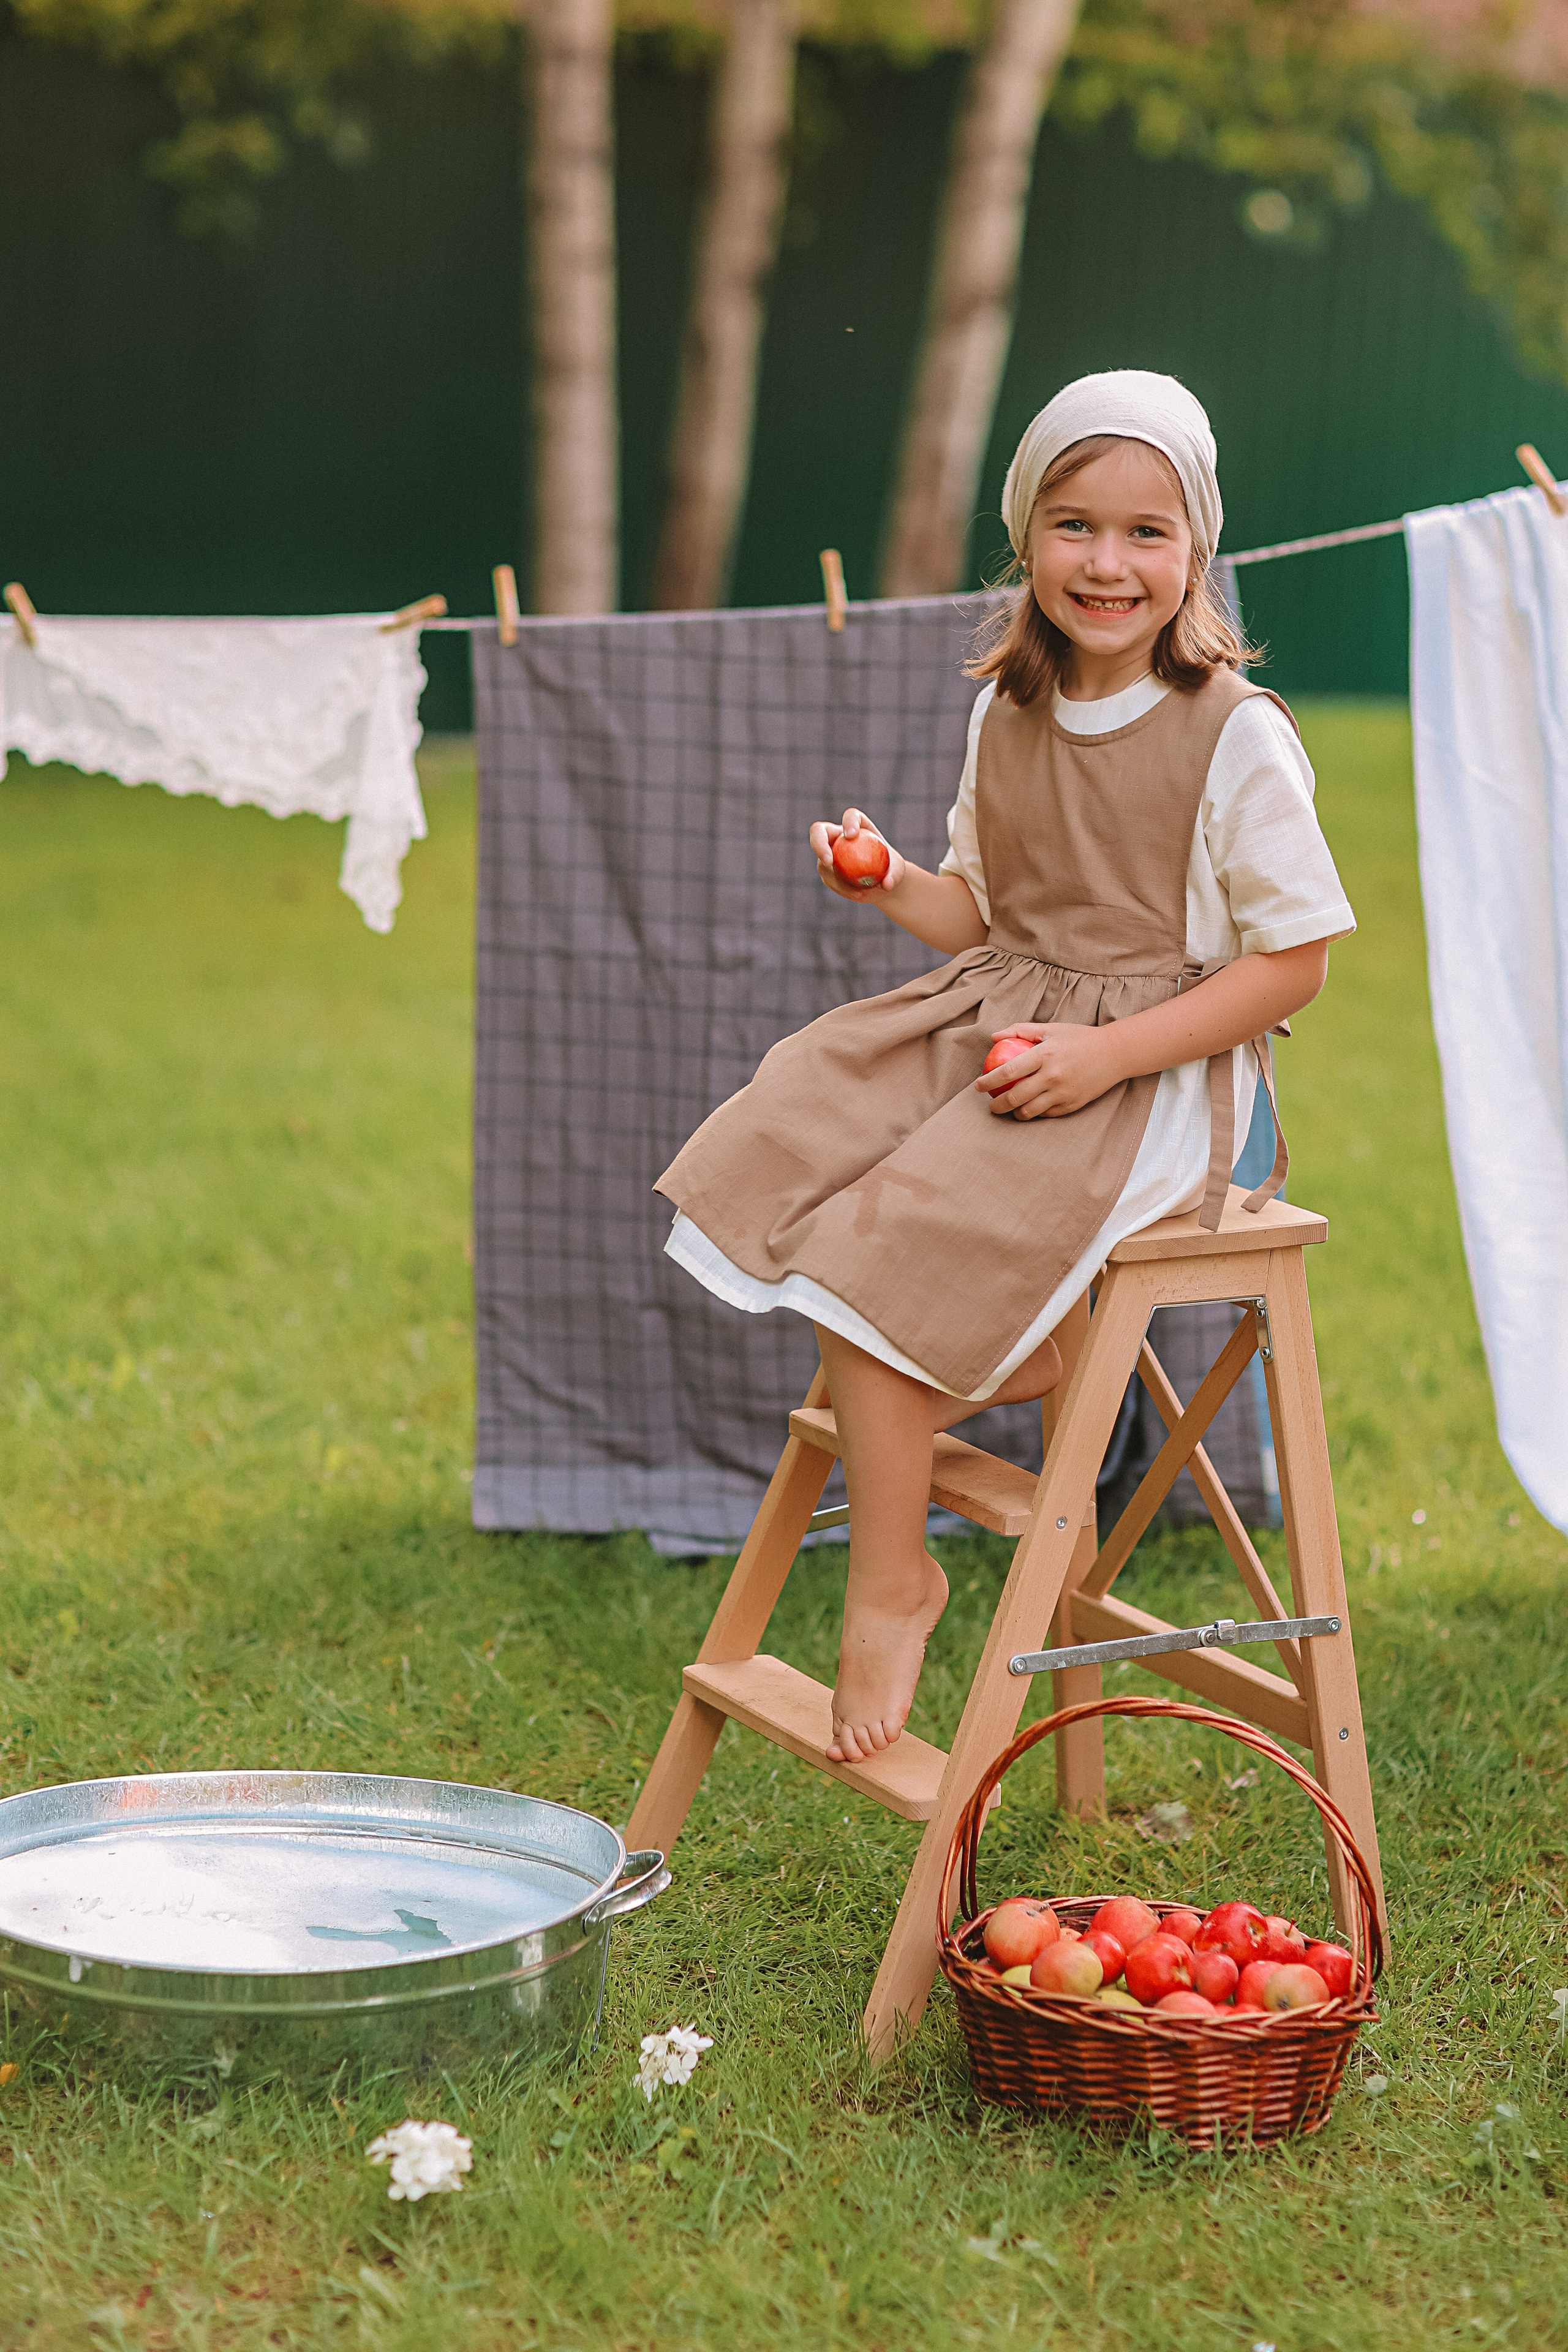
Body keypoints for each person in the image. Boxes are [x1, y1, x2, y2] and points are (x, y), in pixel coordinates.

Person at [655, 371, 1355, 1769]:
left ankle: (891, 1577)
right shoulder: (1005, 711)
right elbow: (984, 918)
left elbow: (1290, 968)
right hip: (1008, 1010)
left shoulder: (1233, 735)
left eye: (1145, 533)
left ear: (1193, 552)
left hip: (1156, 1075)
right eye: (1074, 526)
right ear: (1024, 538)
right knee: (799, 1113)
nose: (1107, 563)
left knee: (879, 1243)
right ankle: (1009, 1334)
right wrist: (893, 882)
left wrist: (1102, 1055)